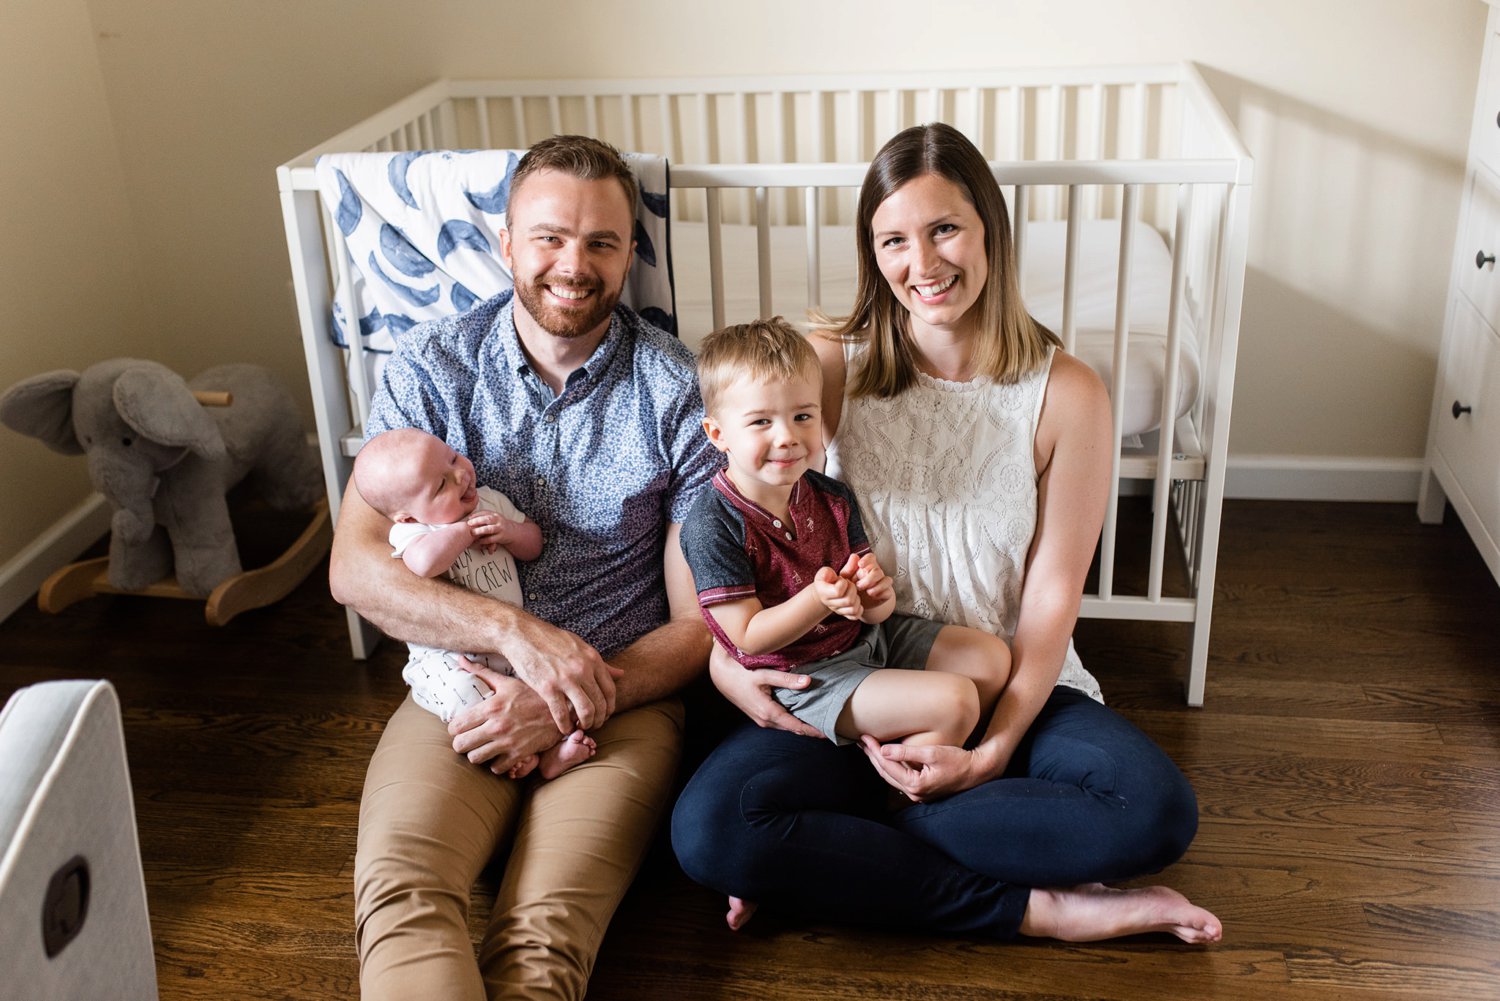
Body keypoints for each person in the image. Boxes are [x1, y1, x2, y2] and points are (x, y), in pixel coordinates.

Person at [671, 122, 1223, 944]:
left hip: (1001, 681)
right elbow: (721, 510)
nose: (922, 265)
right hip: (845, 674)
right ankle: (1045, 908)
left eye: (944, 229)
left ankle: (847, 856)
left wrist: (993, 750)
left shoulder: (1070, 392)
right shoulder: (829, 363)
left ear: (989, 229)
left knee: (1155, 810)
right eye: (893, 239)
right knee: (709, 829)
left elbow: (1050, 600)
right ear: (872, 250)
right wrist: (725, 664)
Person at [329, 134, 718, 1001]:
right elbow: (353, 570)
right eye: (548, 236)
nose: (572, 265)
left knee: (537, 940)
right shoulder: (432, 368)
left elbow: (699, 629)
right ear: (506, 243)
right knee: (402, 894)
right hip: (455, 686)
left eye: (601, 243)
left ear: (629, 254)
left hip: (616, 698)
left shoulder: (678, 395)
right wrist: (513, 633)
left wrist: (564, 692)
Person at [681, 317, 1011, 757]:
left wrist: (875, 596)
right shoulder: (712, 522)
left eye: (802, 416)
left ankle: (910, 742)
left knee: (990, 660)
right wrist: (820, 599)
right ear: (718, 434)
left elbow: (873, 611)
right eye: (761, 422)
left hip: (860, 639)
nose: (787, 437)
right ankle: (900, 785)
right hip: (805, 674)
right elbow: (747, 635)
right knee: (956, 701)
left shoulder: (830, 496)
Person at [350, 426, 595, 781]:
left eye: (452, 457)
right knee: (470, 699)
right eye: (440, 486)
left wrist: (510, 532)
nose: (461, 475)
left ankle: (552, 754)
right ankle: (522, 760)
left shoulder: (489, 501)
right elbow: (424, 563)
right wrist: (464, 532)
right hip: (450, 656)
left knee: (546, 687)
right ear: (407, 515)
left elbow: (534, 544)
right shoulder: (413, 532)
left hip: (511, 644)